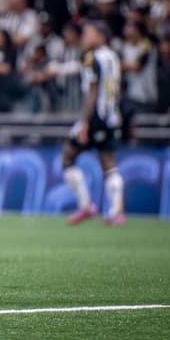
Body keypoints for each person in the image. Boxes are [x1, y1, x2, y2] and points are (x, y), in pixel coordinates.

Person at [62, 20, 125, 227]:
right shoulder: (113, 57)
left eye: (88, 33)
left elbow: (92, 91)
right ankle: (116, 212)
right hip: (112, 116)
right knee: (108, 163)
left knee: (67, 157)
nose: (84, 37)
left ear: (101, 36)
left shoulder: (92, 58)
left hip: (96, 118)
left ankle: (86, 204)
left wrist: (84, 122)